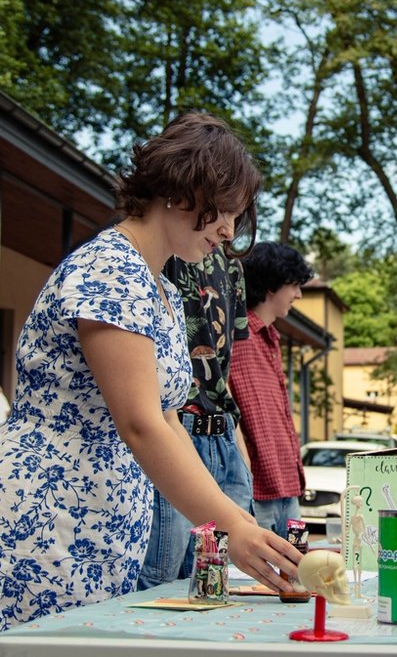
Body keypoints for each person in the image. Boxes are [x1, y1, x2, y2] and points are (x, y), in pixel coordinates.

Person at [0, 113, 301, 657]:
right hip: (44, 511)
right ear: (184, 192)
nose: (229, 232)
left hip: (101, 517)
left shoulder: (160, 287)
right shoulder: (110, 271)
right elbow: (140, 422)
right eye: (228, 213)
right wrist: (227, 528)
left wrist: (237, 521)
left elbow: (170, 418)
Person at [136, 245, 256, 590]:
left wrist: (238, 445)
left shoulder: (231, 263)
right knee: (161, 581)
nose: (229, 230)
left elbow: (223, 365)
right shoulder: (164, 252)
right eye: (227, 212)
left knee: (224, 583)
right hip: (175, 430)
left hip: (223, 436)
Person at [229, 242, 313, 537]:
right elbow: (230, 410)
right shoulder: (235, 338)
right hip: (256, 491)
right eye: (294, 285)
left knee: (297, 576)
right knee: (253, 580)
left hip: (288, 489)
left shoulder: (271, 339)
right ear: (270, 287)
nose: (299, 294)